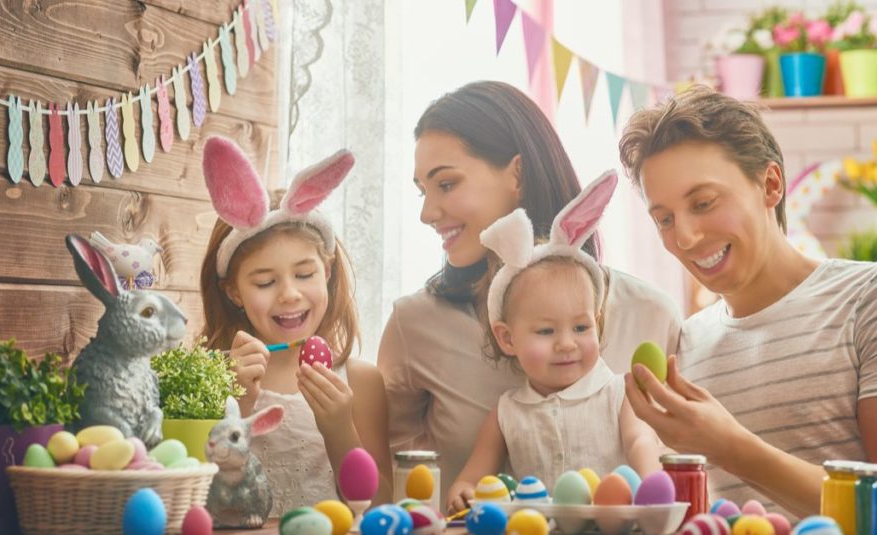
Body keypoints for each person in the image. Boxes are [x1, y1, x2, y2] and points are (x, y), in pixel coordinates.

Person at [617, 86, 877, 520]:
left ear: (771, 184)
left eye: (703, 203)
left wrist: (729, 446)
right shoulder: (685, 345)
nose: (684, 237)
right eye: (664, 219)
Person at [377, 81, 682, 501]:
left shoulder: (651, 313)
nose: (427, 213)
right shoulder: (414, 325)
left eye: (445, 185)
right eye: (422, 191)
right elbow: (393, 491)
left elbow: (686, 469)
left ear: (517, 174)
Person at [444, 172, 664, 513]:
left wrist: (650, 480)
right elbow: (474, 476)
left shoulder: (620, 393)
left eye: (580, 327)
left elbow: (640, 440)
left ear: (598, 324)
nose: (566, 344)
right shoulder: (507, 412)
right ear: (507, 338)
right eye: (546, 332)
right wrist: (463, 489)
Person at [198, 137, 392, 515]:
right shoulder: (212, 376)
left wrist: (339, 430)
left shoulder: (361, 382)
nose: (289, 294)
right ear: (234, 292)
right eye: (265, 283)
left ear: (328, 271)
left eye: (304, 274)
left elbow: (380, 510)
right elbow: (186, 492)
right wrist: (233, 405)